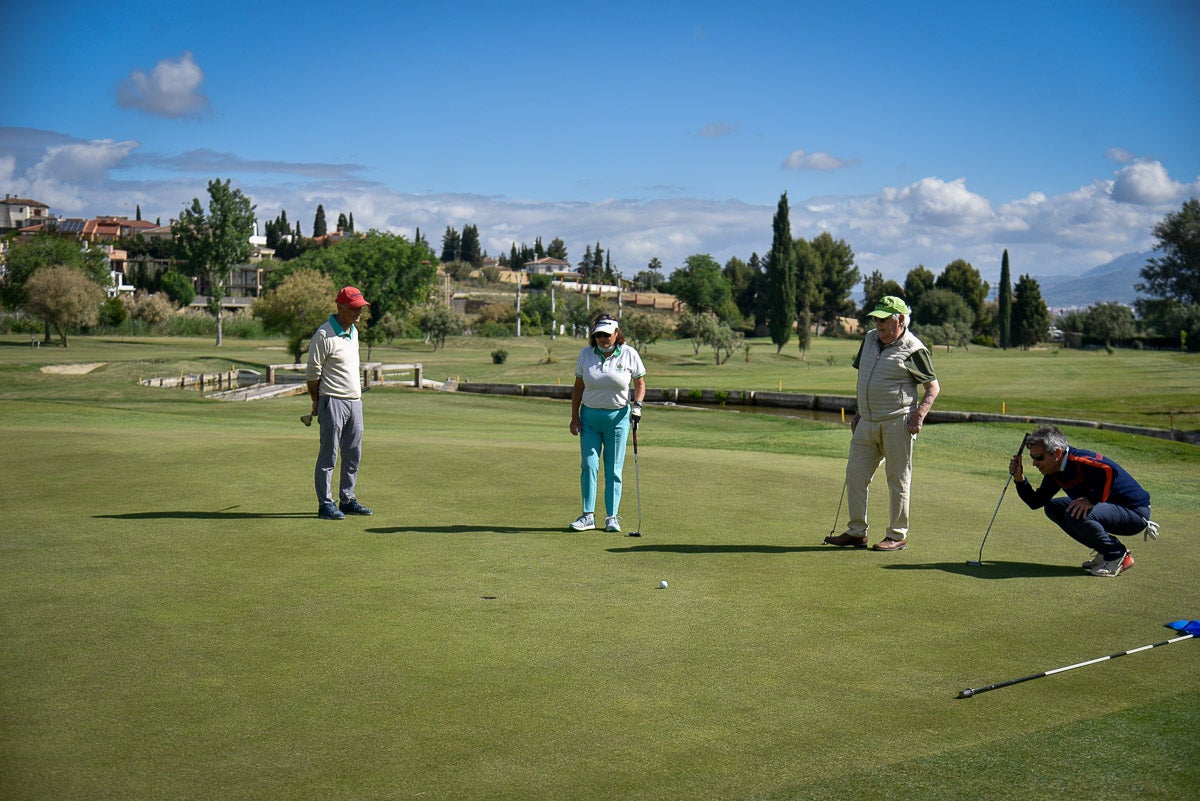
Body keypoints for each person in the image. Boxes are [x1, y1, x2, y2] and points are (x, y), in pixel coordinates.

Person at [824, 296, 940, 551]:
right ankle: (856, 532)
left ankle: (897, 535)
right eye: (876, 319)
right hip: (866, 421)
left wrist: (919, 415)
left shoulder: (913, 348)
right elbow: (864, 379)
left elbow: (933, 387)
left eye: (884, 319)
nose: (879, 324)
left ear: (899, 320)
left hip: (898, 422)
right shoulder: (868, 339)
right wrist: (858, 412)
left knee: (897, 480)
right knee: (855, 475)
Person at [1011, 425, 1157, 577]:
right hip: (1112, 510)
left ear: (1057, 453)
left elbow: (1109, 471)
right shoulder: (1055, 470)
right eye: (1032, 458)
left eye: (1039, 457)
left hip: (1135, 513)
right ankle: (1105, 550)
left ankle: (1117, 555)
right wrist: (1020, 480)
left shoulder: (1079, 460)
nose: (1035, 463)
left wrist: (1091, 500)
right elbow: (1036, 502)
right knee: (1053, 508)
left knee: (1075, 513)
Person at [568, 314, 646, 532]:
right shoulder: (586, 355)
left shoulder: (629, 353)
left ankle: (612, 517)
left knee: (613, 469)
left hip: (618, 419)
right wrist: (574, 417)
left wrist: (637, 405)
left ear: (616, 334)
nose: (603, 338)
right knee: (589, 465)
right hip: (590, 418)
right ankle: (587, 516)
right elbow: (578, 388)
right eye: (599, 335)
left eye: (607, 334)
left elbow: (640, 384)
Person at [306, 286, 373, 520]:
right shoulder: (324, 335)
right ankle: (325, 503)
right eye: (354, 308)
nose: (359, 313)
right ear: (340, 307)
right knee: (329, 455)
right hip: (332, 400)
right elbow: (313, 374)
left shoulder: (354, 333)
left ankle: (347, 499)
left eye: (361, 308)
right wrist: (316, 401)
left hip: (355, 401)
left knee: (353, 453)